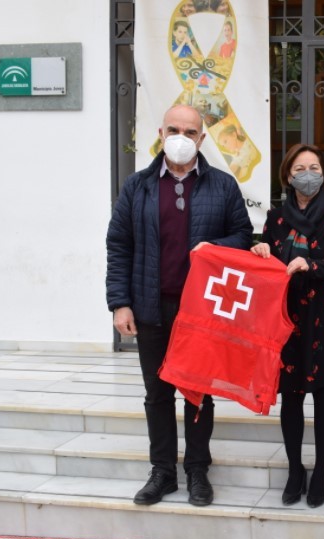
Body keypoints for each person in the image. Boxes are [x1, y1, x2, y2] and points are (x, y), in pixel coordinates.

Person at [106, 105, 253, 507]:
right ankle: (163, 472)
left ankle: (197, 471)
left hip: (200, 312)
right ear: (160, 133)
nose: (181, 138)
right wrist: (120, 303)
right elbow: (119, 246)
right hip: (150, 307)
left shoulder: (222, 185)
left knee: (198, 394)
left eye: (190, 132)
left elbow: (242, 235)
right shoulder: (137, 187)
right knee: (157, 394)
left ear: (202, 138)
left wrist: (214, 246)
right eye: (174, 130)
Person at [250, 144, 324, 509]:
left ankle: (321, 470)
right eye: (300, 168)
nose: (308, 174)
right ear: (288, 176)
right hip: (287, 316)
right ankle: (295, 469)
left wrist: (310, 265)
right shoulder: (276, 218)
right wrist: (261, 251)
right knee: (291, 395)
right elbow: (269, 259)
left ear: (323, 174)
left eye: (314, 167)